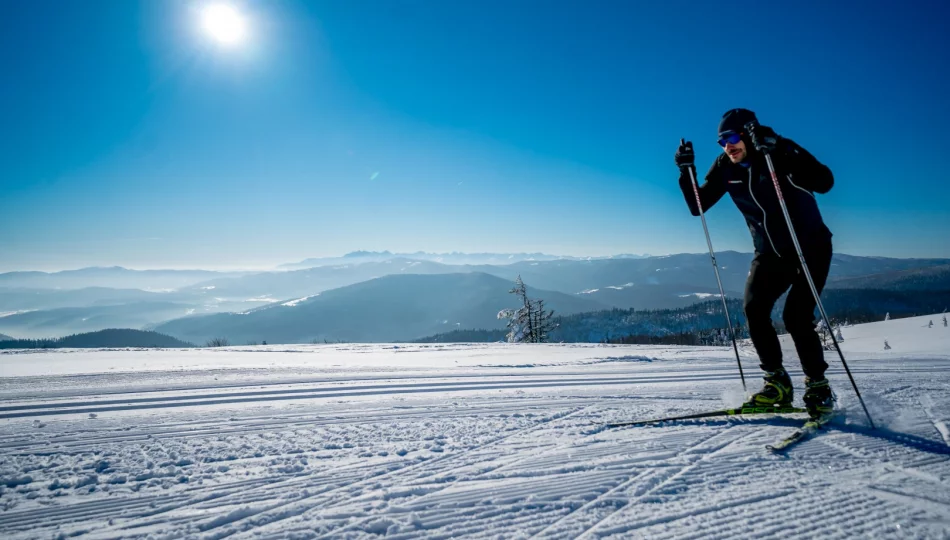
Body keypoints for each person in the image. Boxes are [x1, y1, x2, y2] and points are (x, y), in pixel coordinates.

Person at [674, 108, 836, 419]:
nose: (727, 146)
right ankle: (777, 383)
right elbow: (698, 205)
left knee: (796, 316)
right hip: (769, 252)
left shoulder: (779, 150)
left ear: (748, 134)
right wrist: (686, 172)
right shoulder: (725, 165)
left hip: (811, 248)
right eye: (721, 141)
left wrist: (784, 151)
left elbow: (825, 181)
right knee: (754, 308)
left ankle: (818, 386)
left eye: (732, 138)